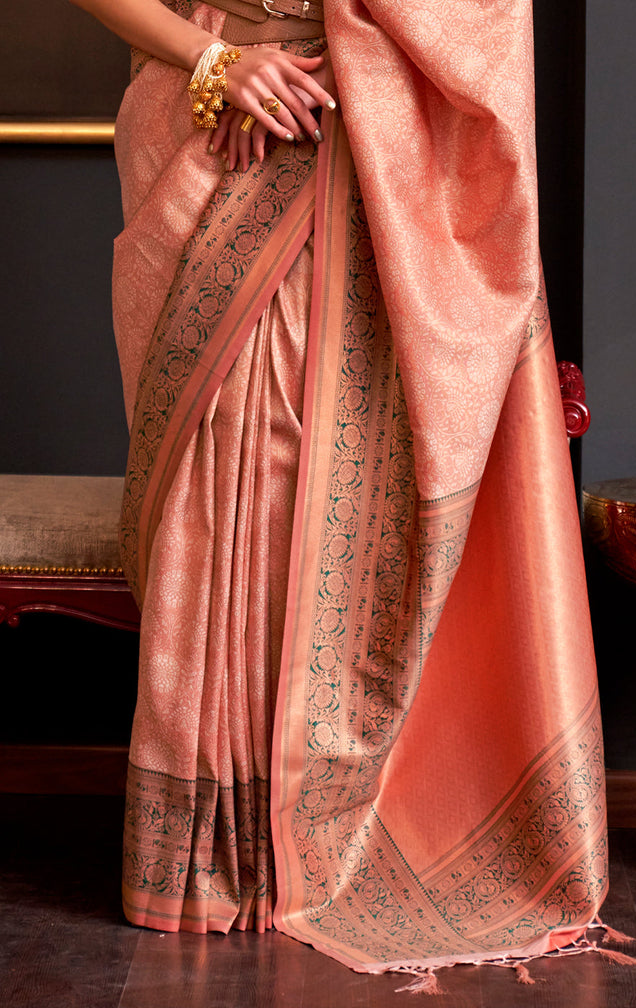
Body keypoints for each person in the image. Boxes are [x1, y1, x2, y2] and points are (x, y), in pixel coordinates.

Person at [70, 0, 608, 977]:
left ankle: (304, 837)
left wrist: (335, 62)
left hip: (359, 153)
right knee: (210, 492)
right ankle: (201, 858)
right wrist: (215, 62)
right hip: (208, 137)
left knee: (314, 500)